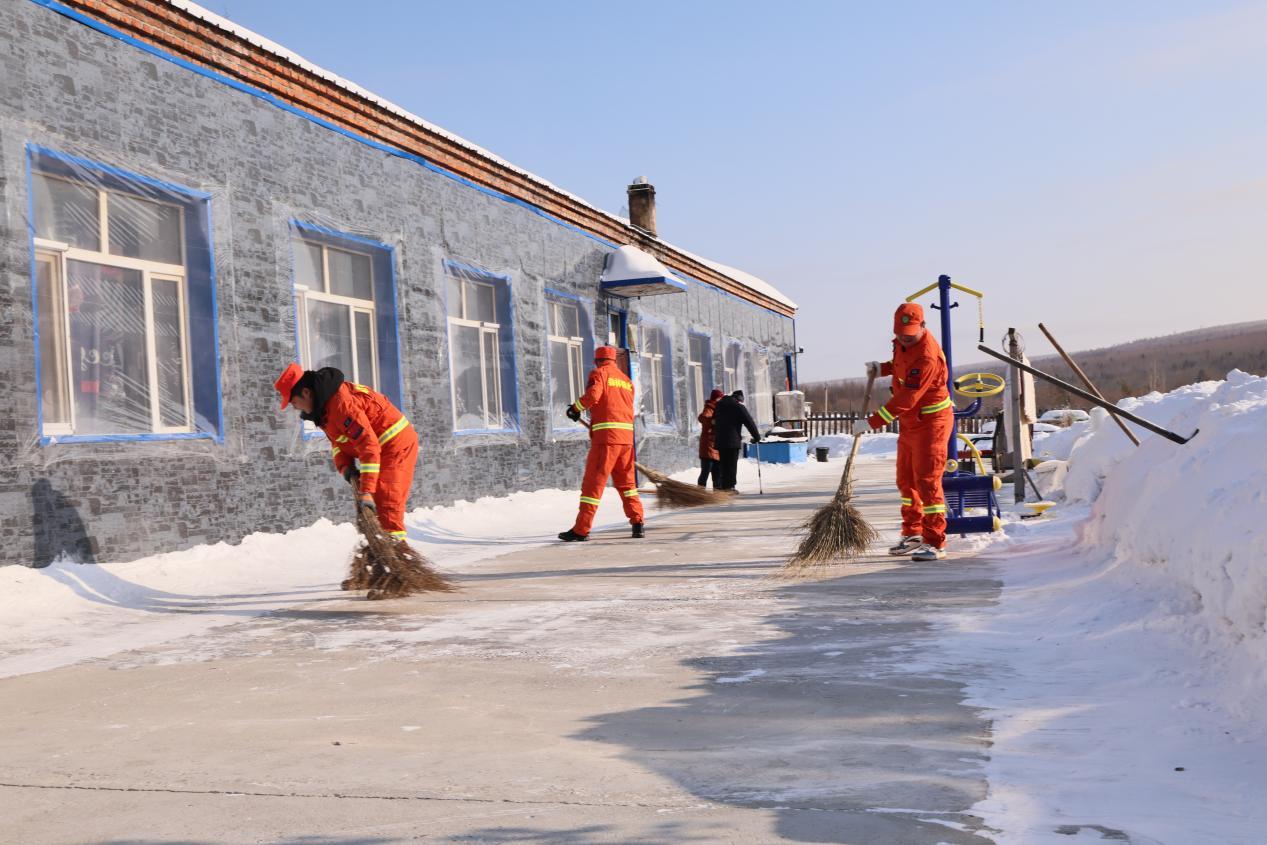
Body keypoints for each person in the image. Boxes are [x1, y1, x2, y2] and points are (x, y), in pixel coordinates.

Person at [853, 302, 954, 561]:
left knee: (927, 482)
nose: (904, 339)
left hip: (931, 423)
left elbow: (908, 397)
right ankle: (913, 533)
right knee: (906, 481)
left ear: (923, 326)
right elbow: (901, 364)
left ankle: (935, 542)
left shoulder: (927, 355)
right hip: (911, 423)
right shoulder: (902, 342)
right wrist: (882, 368)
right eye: (900, 334)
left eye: (909, 334)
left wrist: (872, 422)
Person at [274, 363, 417, 541]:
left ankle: (395, 552)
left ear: (306, 392)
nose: (295, 408)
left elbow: (368, 445)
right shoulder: (322, 410)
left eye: (294, 402)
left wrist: (366, 490)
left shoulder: (341, 405)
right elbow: (338, 442)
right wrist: (346, 468)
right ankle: (381, 550)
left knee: (386, 503)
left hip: (396, 445)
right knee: (376, 506)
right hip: (377, 448)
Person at [558, 346, 645, 541]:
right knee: (627, 484)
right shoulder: (626, 381)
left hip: (606, 440)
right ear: (613, 360)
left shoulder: (599, 374)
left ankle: (581, 530)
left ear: (597, 360)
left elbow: (593, 396)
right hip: (626, 440)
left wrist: (575, 408)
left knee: (593, 485)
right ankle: (638, 523)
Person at [712, 389, 760, 492]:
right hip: (732, 441)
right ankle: (730, 487)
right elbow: (749, 422)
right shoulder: (738, 407)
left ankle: (724, 486)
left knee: (723, 464)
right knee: (731, 465)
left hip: (720, 441)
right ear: (739, 399)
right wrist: (756, 437)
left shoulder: (719, 405)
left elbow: (713, 421)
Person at [697, 388, 724, 488]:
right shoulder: (709, 408)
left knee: (717, 473)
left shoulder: (717, 409)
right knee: (705, 472)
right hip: (708, 447)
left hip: (715, 446)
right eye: (720, 398)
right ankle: (700, 492)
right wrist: (713, 421)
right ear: (716, 398)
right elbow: (703, 417)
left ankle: (717, 493)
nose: (721, 400)